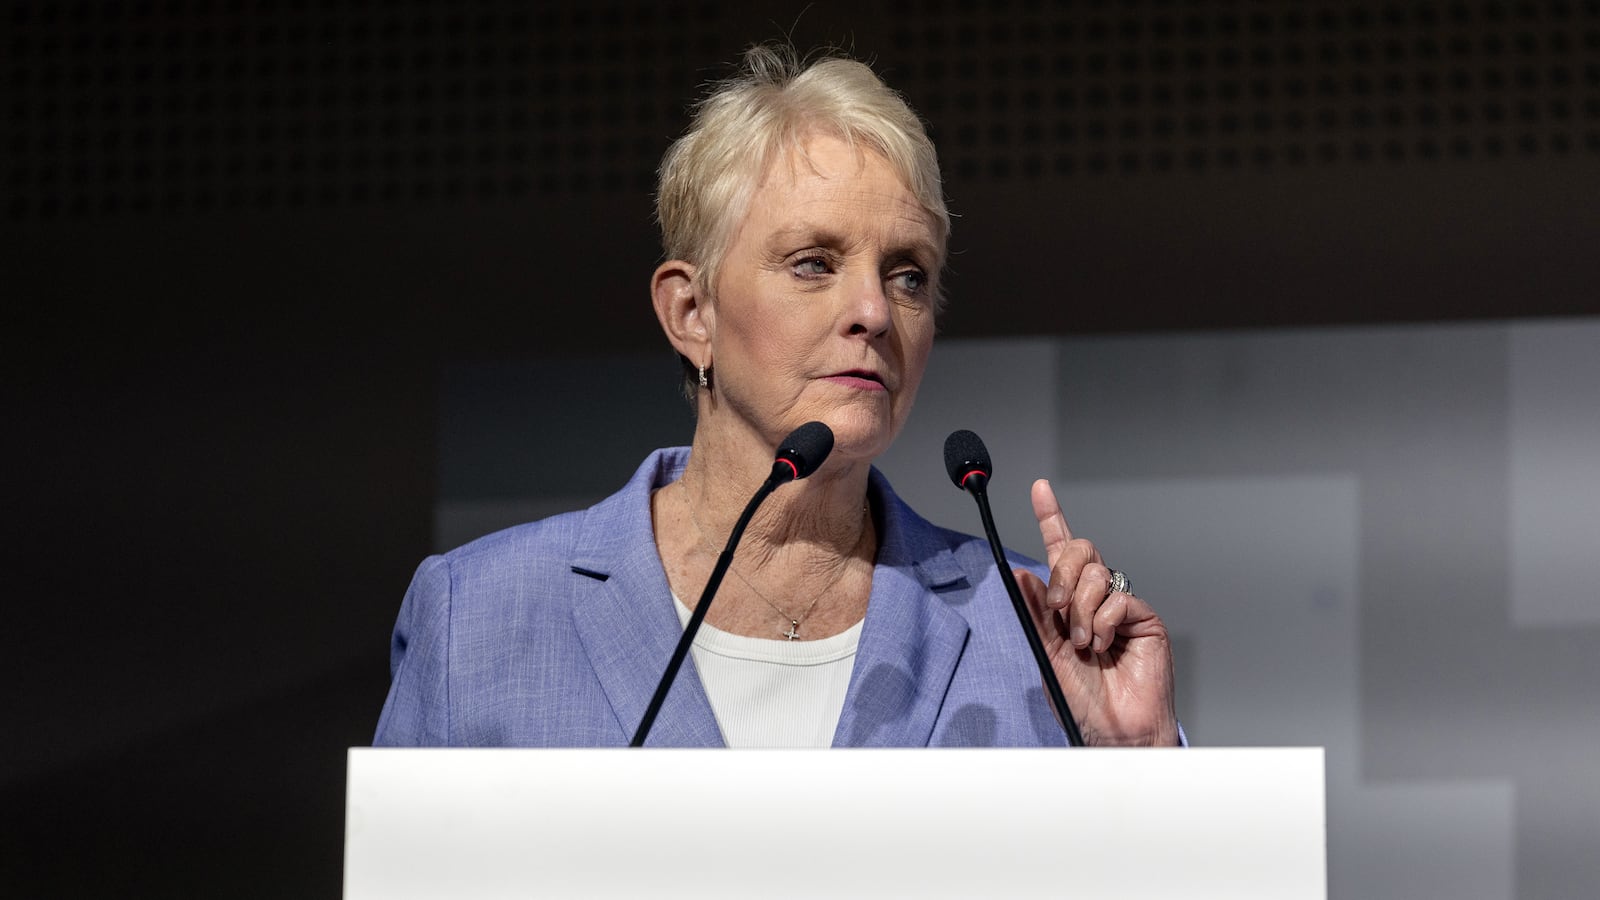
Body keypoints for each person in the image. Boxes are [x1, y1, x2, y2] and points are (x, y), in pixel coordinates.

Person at [374, 44, 1179, 748]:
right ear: (691, 313)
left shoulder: (1035, 633)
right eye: (813, 264)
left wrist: (1140, 761)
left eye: (908, 275)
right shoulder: (477, 616)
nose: (874, 312)